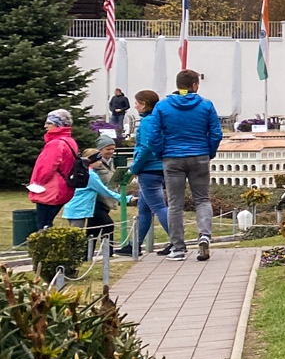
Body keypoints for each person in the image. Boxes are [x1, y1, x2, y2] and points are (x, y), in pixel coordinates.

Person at [147, 69, 223, 262]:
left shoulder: (162, 106)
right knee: (202, 199)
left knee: (174, 204)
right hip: (199, 155)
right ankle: (204, 236)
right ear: (195, 85)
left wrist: (161, 154)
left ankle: (178, 248)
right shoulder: (206, 105)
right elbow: (216, 133)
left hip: (172, 157)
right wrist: (209, 152)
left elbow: (153, 135)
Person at [118, 89, 169, 258]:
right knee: (144, 209)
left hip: (148, 169)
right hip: (158, 167)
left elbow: (146, 147)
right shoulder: (158, 119)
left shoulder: (147, 122)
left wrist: (134, 167)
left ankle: (177, 240)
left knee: (159, 207)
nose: (135, 106)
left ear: (144, 104)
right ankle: (135, 244)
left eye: (137, 103)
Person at [25, 110, 81, 234]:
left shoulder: (55, 143)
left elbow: (46, 168)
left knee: (43, 225)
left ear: (58, 124)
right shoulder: (70, 141)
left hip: (50, 189)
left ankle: (44, 250)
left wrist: (36, 184)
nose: (45, 126)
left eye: (49, 123)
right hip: (64, 187)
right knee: (48, 222)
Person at [60, 145, 121, 255]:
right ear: (90, 161)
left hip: (79, 208)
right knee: (76, 236)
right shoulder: (91, 175)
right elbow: (105, 191)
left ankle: (84, 255)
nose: (101, 163)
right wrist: (126, 198)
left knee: (85, 232)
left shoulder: (83, 172)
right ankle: (74, 256)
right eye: (98, 160)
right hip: (79, 209)